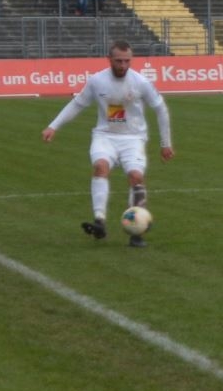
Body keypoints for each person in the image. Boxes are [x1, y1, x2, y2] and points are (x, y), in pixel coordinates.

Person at [41, 41, 174, 248]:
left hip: (133, 138)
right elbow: (78, 103)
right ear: (109, 59)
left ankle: (137, 232)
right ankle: (99, 222)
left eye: (127, 61)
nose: (123, 65)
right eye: (119, 61)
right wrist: (53, 126)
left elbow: (160, 109)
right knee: (100, 166)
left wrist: (166, 143)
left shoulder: (141, 82)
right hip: (105, 136)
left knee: (136, 177)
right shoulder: (97, 81)